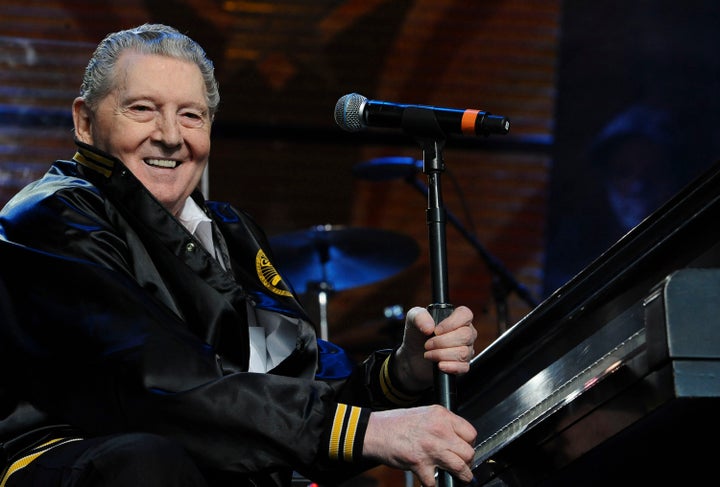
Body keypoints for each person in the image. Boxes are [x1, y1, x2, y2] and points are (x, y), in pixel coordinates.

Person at [0, 24, 478, 487]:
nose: (170, 135)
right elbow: (151, 377)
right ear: (85, 121)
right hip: (72, 458)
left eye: (191, 115)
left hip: (199, 465)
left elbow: (297, 377)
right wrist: (363, 433)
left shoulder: (231, 231)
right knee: (146, 460)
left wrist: (402, 372)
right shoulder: (52, 214)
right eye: (143, 109)